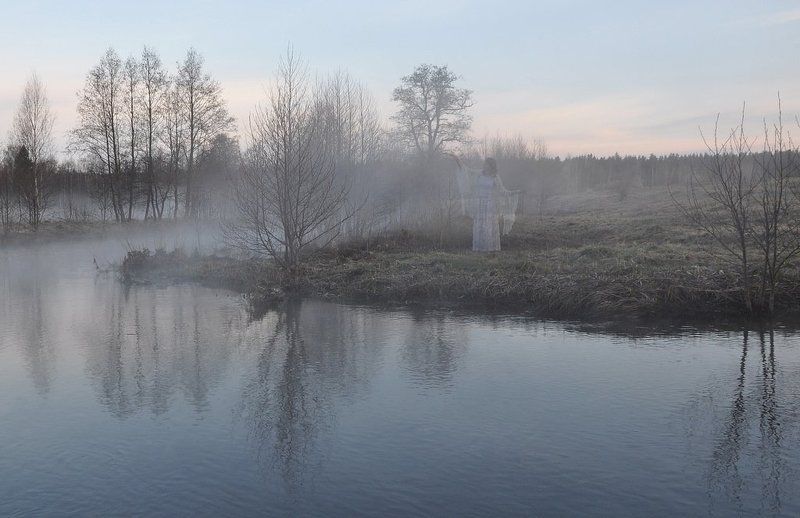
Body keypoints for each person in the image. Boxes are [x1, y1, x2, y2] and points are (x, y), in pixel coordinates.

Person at [449, 155, 519, 252]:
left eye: (486, 164)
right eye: (484, 164)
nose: (484, 166)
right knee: (479, 226)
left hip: (490, 205)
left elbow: (503, 191)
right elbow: (466, 171)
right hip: (479, 204)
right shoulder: (479, 174)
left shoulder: (495, 177)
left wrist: (516, 192)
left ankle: (489, 248)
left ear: (491, 166)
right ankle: (479, 248)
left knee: (488, 226)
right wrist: (457, 160)